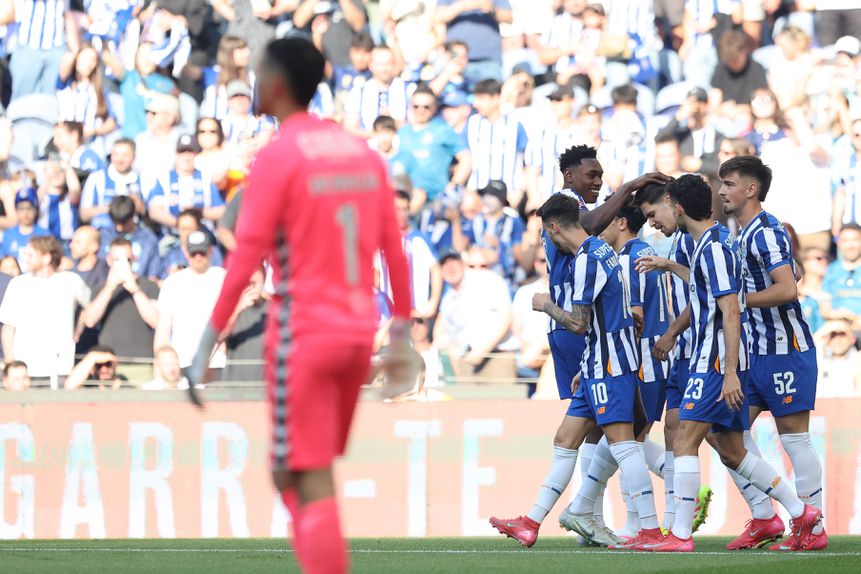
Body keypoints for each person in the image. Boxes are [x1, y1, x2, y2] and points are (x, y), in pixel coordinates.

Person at [186, 37, 416, 574]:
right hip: (358, 332)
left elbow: (246, 258)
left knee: (302, 475)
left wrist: (205, 343)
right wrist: (401, 335)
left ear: (277, 83)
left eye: (260, 70)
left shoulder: (279, 156)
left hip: (302, 334)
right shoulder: (361, 154)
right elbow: (394, 253)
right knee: (301, 472)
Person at [644, 174, 821, 552]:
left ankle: (679, 535)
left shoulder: (713, 247)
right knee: (730, 448)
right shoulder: (716, 242)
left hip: (713, 362)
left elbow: (730, 311)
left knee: (685, 440)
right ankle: (796, 511)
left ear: (677, 207)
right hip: (714, 360)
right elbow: (711, 297)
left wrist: (728, 374)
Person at [514, 193, 662, 551]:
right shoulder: (602, 250)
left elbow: (578, 323)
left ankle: (651, 530)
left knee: (625, 446)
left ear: (552, 228)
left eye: (546, 234)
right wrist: (584, 366)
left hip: (610, 366)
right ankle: (531, 522)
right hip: (598, 364)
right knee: (565, 441)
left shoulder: (585, 260)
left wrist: (545, 305)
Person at [716, 156, 827, 550]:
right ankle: (765, 517)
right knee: (725, 435)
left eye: (728, 183)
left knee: (794, 439)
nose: (721, 190)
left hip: (785, 350)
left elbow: (787, 288)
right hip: (754, 354)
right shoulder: (743, 233)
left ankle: (811, 528)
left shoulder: (765, 230)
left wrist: (740, 303)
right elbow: (787, 272)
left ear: (751, 189)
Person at [596, 198, 672, 538]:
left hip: (641, 360)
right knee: (630, 443)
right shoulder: (646, 252)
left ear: (621, 223)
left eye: (607, 222)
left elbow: (635, 317)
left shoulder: (630, 259)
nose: (599, 229)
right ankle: (673, 491)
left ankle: (639, 523)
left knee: (630, 443)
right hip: (652, 359)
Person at [0, 236, 91, 379]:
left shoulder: (71, 281)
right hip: (25, 372)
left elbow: (90, 307)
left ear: (46, 257)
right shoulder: (18, 284)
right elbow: (8, 328)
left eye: (31, 255)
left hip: (62, 369)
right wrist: (11, 364)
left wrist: (78, 329)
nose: (25, 259)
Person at [155, 231, 226, 370]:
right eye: (194, 252)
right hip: (181, 364)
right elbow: (162, 333)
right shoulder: (172, 283)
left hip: (216, 363)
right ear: (185, 251)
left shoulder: (223, 278)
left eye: (202, 251)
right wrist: (161, 367)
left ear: (211, 250)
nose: (198, 256)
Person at [398, 84, 472, 211]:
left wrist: (455, 184)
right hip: (407, 199)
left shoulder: (443, 130)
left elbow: (466, 158)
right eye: (416, 106)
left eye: (426, 107)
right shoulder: (402, 132)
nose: (421, 110)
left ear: (434, 108)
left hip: (436, 200)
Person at [84, 237, 160, 360]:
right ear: (109, 260)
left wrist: (135, 290)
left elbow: (156, 321)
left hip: (142, 363)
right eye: (117, 260)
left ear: (134, 259)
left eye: (127, 259)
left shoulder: (149, 286)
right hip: (108, 364)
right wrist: (109, 288)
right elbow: (89, 321)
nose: (123, 264)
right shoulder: (99, 289)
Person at [465, 79, 528, 203]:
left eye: (481, 98)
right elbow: (466, 157)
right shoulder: (472, 123)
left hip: (509, 194)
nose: (476, 104)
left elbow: (526, 161)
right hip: (478, 192)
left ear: (495, 98)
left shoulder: (514, 126)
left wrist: (519, 191)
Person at [147, 134, 226, 231]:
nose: (186, 157)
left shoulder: (206, 178)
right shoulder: (164, 178)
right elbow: (153, 210)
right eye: (182, 152)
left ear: (196, 154)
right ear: (176, 154)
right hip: (172, 234)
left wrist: (197, 213)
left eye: (190, 152)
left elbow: (221, 210)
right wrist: (180, 225)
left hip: (202, 232)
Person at [434, 0, 513, 85]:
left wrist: (493, 9)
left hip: (488, 60)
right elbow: (438, 17)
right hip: (456, 59)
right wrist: (463, 5)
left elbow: (509, 18)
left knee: (491, 94)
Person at [344, 45, 414, 138]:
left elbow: (417, 125)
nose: (384, 69)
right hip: (369, 147)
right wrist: (377, 135)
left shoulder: (408, 89)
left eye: (388, 63)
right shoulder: (358, 92)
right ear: (371, 65)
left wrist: (394, 124)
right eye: (380, 64)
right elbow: (350, 128)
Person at [80, 139, 144, 231]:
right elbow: (84, 214)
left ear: (134, 157)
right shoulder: (97, 178)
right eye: (116, 154)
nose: (120, 160)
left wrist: (138, 206)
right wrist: (112, 209)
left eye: (125, 155)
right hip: (104, 232)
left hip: (133, 232)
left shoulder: (142, 179)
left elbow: (148, 212)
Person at [100, 196, 161, 281]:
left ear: (133, 215)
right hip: (108, 285)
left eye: (123, 222)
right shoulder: (105, 235)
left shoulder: (148, 239)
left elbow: (152, 276)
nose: (119, 227)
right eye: (115, 221)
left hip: (140, 287)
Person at [0, 188, 51, 273]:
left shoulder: (45, 234)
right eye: (21, 208)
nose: (25, 213)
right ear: (16, 210)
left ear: (36, 210)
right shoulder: (8, 235)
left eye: (29, 208)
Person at [823, 224, 861, 321]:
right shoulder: (831, 270)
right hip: (837, 327)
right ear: (838, 243)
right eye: (845, 241)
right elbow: (825, 309)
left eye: (855, 240)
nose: (850, 245)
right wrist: (840, 315)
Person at [70, 225, 109, 291]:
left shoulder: (105, 272)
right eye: (71, 241)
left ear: (94, 246)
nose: (71, 246)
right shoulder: (69, 270)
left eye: (78, 242)